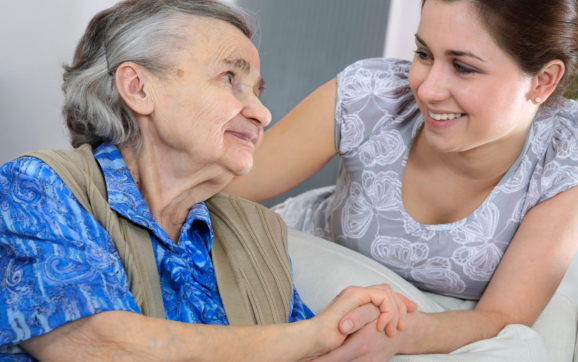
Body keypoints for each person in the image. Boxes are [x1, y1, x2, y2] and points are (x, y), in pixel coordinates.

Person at [0, 1, 417, 361]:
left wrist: (352, 329)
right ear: (138, 88)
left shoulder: (259, 231)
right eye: (229, 79)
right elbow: (98, 348)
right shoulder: (40, 186)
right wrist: (313, 335)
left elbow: (294, 351)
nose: (261, 113)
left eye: (257, 90)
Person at [224, 0, 578, 359]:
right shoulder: (372, 94)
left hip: (428, 324)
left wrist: (398, 334)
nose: (426, 89)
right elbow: (218, 183)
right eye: (424, 54)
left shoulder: (573, 150)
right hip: (304, 277)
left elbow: (501, 316)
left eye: (463, 67)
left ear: (544, 80)